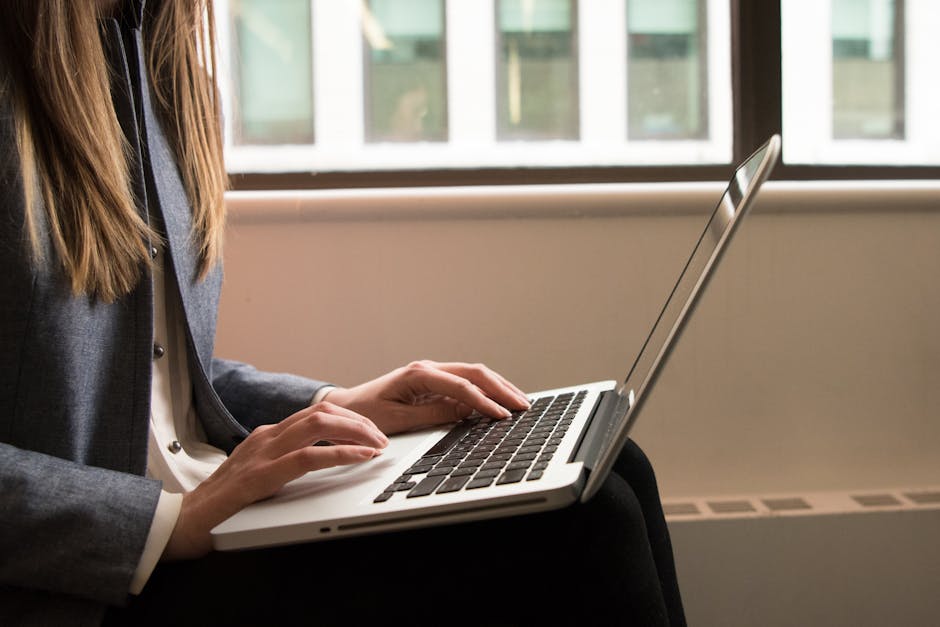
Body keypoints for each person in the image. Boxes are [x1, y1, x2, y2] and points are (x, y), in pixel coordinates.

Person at [0, 1, 686, 625]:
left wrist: (337, 403)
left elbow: (156, 385)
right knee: (590, 528)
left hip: (210, 510)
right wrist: (164, 522)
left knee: (617, 465)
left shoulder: (160, 62)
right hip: (93, 579)